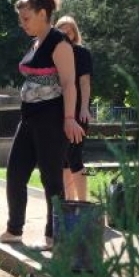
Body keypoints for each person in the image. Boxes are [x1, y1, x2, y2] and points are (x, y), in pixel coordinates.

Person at [0, 0, 84, 249]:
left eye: (26, 18)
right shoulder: (36, 43)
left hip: (52, 120)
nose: (22, 24)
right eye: (21, 19)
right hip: (29, 118)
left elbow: (69, 83)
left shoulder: (59, 43)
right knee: (15, 173)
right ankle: (14, 229)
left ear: (43, 14)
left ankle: (54, 236)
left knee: (51, 178)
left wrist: (69, 119)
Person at [55, 15, 93, 201]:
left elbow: (84, 83)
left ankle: (83, 202)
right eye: (61, 28)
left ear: (74, 32)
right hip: (57, 112)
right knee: (62, 160)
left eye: (69, 29)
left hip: (78, 113)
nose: (65, 32)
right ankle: (69, 203)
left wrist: (84, 108)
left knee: (75, 157)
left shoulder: (82, 53)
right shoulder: (53, 54)